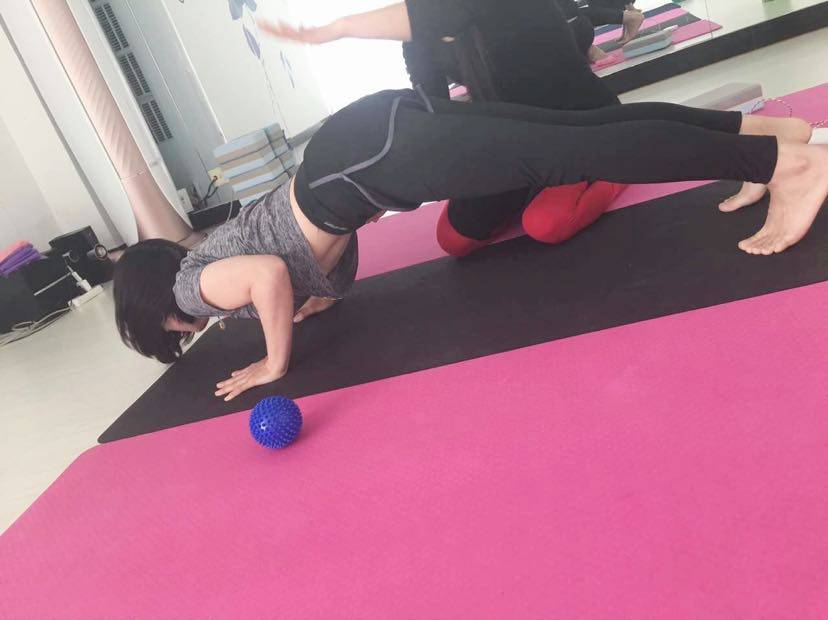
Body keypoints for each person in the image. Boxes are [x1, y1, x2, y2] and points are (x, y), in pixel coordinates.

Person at [115, 82, 822, 401]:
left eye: (166, 333)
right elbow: (306, 253)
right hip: (368, 135)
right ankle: (771, 136)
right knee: (579, 134)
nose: (182, 331)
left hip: (374, 158)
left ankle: (784, 166)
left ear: (155, 306)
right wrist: (318, 296)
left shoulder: (191, 288)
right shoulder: (205, 254)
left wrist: (274, 362)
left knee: (576, 153)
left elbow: (269, 273)